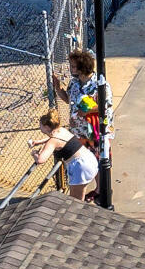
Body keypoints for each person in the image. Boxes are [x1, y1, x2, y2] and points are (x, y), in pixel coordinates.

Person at [61, 47, 112, 183]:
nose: (70, 68)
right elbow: (68, 99)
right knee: (83, 160)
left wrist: (87, 111)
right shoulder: (74, 83)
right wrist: (57, 88)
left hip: (94, 131)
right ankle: (95, 188)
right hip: (78, 131)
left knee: (97, 159)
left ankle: (100, 189)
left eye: (73, 66)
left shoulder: (100, 85)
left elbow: (104, 107)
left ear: (81, 68)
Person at [31, 110, 98, 201]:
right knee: (78, 197)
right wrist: (39, 142)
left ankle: (77, 214)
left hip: (80, 167)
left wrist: (34, 153)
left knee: (75, 200)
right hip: (89, 158)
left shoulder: (53, 141)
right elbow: (57, 139)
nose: (40, 127)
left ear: (46, 127)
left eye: (41, 125)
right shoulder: (61, 130)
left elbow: (40, 160)